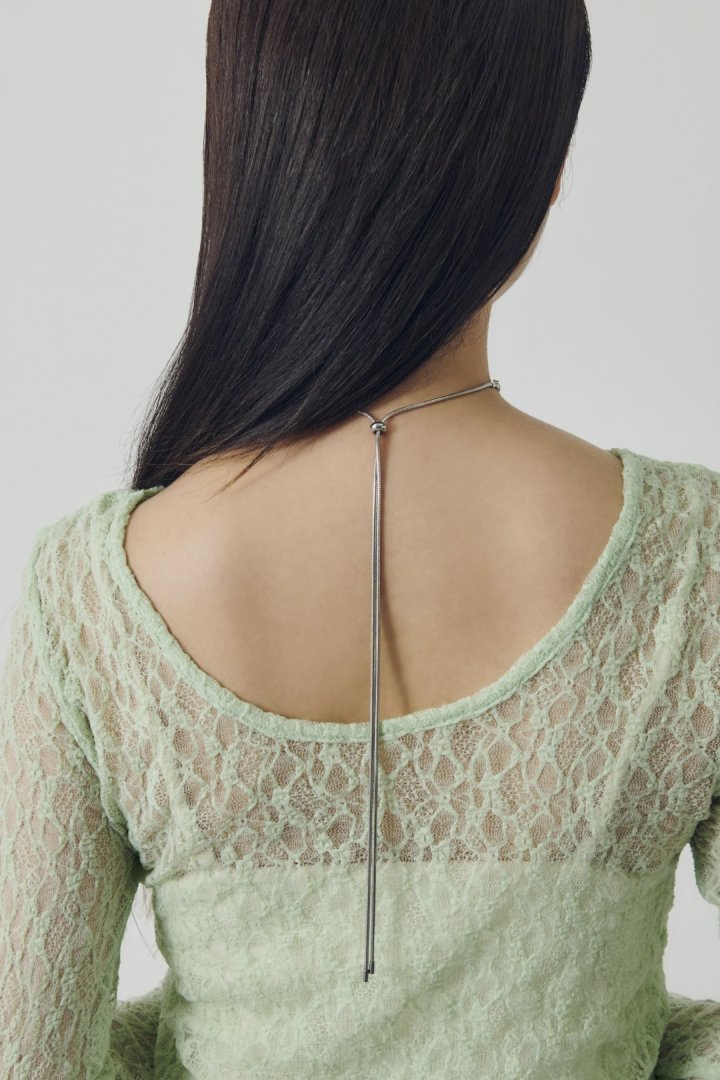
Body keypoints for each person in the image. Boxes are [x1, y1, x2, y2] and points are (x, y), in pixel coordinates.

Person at [1, 1, 719, 1077]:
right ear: (541, 177)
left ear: (248, 158)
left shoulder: (95, 594)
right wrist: (636, 1037)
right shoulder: (693, 558)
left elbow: (28, 1053)